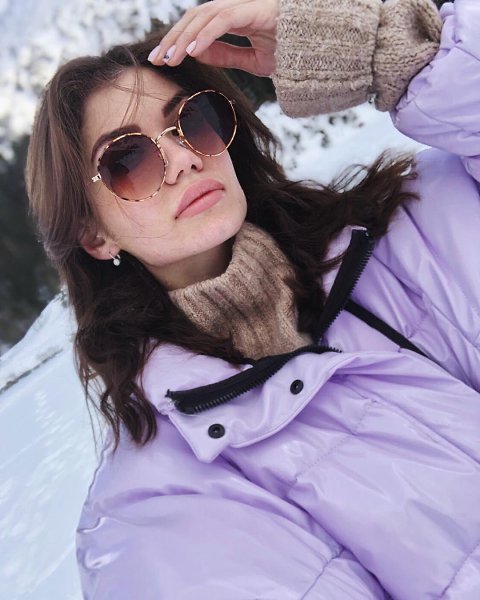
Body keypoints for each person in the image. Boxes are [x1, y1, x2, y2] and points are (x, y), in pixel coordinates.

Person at [26, 0, 480, 597]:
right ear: (94, 235)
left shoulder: (417, 229)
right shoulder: (157, 513)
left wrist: (380, 48)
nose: (184, 158)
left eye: (193, 121)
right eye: (127, 160)